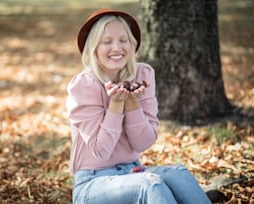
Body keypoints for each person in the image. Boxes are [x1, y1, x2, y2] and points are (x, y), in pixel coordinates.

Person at [66, 8, 212, 204]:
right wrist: (116, 105)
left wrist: (133, 104)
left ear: (132, 44)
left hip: (133, 170)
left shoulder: (143, 74)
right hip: (93, 182)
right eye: (107, 41)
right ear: (93, 48)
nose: (117, 47)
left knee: (178, 174)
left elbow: (143, 143)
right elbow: (101, 150)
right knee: (149, 184)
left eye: (123, 40)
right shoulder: (83, 85)